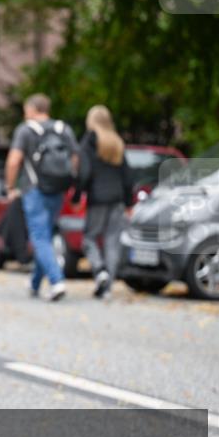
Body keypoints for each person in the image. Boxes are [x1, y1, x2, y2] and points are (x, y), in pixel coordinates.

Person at [4, 93, 79, 301]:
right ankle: (35, 282)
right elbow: (75, 158)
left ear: (31, 109)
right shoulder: (63, 129)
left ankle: (57, 281)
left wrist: (10, 186)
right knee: (44, 235)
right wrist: (68, 180)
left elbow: (13, 161)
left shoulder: (26, 130)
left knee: (40, 237)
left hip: (34, 189)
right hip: (58, 189)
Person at [75, 105, 134, 299]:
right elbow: (127, 176)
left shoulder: (89, 141)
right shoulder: (117, 142)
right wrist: (128, 202)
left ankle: (100, 270)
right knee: (112, 243)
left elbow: (84, 173)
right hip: (116, 199)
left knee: (89, 239)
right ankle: (107, 289)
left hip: (98, 199)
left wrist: (77, 195)